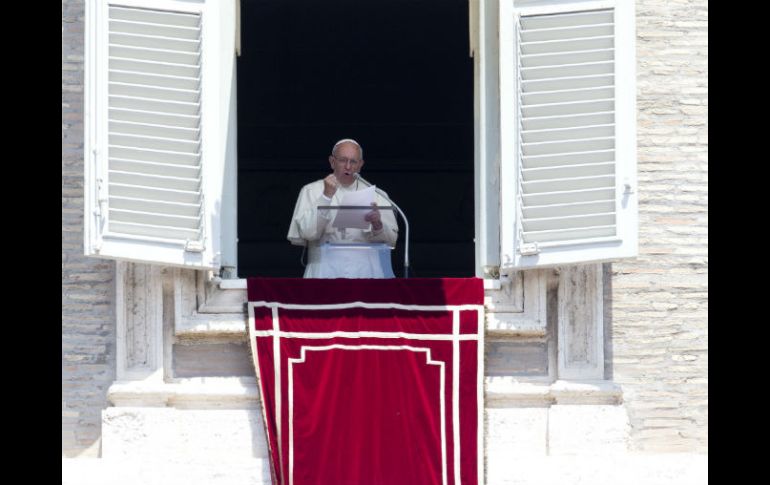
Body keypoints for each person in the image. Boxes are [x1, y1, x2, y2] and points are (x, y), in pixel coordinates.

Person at [287, 139, 399, 278]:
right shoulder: (311, 191)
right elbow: (308, 233)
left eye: (353, 162)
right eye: (342, 160)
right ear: (332, 162)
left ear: (360, 165)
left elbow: (392, 240)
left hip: (366, 272)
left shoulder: (378, 195)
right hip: (323, 271)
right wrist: (326, 197)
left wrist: (377, 224)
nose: (348, 166)